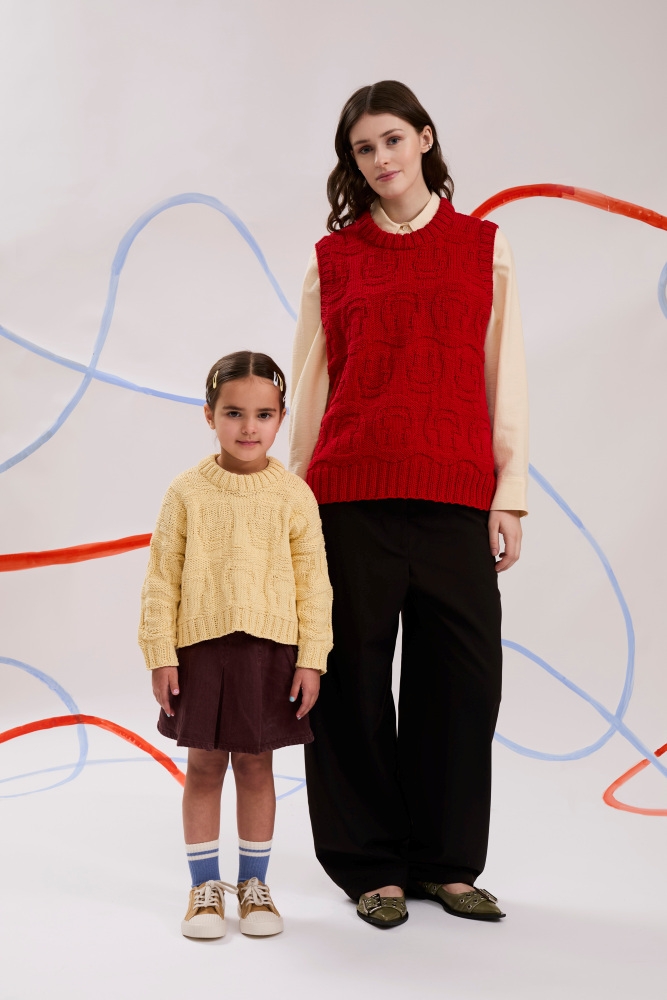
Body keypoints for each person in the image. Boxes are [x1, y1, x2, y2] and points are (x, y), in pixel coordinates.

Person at [289, 81, 528, 928]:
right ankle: (369, 866)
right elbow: (311, 390)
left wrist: (509, 494)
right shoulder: (334, 258)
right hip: (347, 496)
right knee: (350, 683)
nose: (380, 158)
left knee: (462, 684)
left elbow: (502, 376)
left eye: (392, 139)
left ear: (424, 139)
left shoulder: (482, 248)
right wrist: (294, 506)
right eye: (363, 148)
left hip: (455, 495)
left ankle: (444, 862)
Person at [139, 350, 333, 939]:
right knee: (203, 765)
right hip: (199, 651)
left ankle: (254, 886)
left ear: (280, 419)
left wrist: (312, 659)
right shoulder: (185, 492)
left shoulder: (294, 495)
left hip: (269, 654)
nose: (249, 427)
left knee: (255, 764)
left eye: (264, 415)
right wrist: (160, 653)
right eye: (234, 413)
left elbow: (314, 584)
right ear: (209, 415)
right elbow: (162, 577)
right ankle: (204, 890)